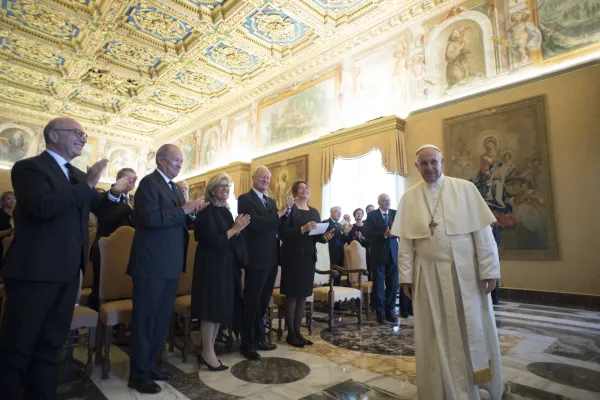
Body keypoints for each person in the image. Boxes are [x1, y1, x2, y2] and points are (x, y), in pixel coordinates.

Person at [0, 117, 131, 400]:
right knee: (17, 349)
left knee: (50, 347)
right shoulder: (28, 168)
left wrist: (113, 193)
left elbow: (102, 209)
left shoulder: (75, 175)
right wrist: (89, 184)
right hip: (33, 274)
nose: (83, 138)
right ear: (53, 135)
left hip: (68, 274)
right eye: (77, 133)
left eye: (85, 134)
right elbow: (44, 207)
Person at [392, 144, 502, 399]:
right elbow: (406, 243)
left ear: (442, 162)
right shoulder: (409, 197)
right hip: (427, 275)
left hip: (464, 273)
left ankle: (475, 384)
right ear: (416, 166)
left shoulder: (465, 189)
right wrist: (405, 277)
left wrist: (489, 269)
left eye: (433, 162)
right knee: (434, 331)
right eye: (423, 164)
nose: (429, 168)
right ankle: (439, 387)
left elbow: (483, 234)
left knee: (469, 326)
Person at [126, 144, 207, 394]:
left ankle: (151, 365)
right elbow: (149, 219)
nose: (179, 165)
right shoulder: (149, 184)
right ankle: (137, 374)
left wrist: (192, 214)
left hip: (170, 264)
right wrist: (184, 209)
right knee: (145, 321)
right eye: (175, 160)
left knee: (160, 321)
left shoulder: (172, 187)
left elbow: (176, 219)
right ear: (160, 160)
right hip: (151, 264)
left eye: (182, 161)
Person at [192, 173, 249, 371]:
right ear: (212, 190)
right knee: (210, 308)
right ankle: (207, 352)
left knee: (218, 308)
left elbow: (229, 239)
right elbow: (214, 241)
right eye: (222, 186)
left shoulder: (225, 212)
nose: (225, 189)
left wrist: (237, 230)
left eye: (228, 186)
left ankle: (208, 351)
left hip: (225, 264)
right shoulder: (206, 213)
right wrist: (235, 229)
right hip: (210, 265)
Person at [237, 166, 293, 360]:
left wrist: (286, 214)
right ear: (253, 178)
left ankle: (259, 338)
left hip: (271, 257)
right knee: (252, 300)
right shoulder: (245, 199)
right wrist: (279, 214)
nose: (266, 181)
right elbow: (257, 224)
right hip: (255, 257)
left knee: (263, 301)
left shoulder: (270, 201)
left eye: (268, 178)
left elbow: (276, 226)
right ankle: (247, 343)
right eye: (262, 177)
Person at [280, 180, 334, 347]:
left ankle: (298, 332)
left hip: (308, 257)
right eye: (301, 188)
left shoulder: (314, 212)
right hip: (292, 257)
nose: (304, 190)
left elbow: (316, 236)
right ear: (295, 191)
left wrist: (324, 238)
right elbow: (283, 234)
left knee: (303, 295)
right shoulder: (290, 210)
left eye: (306, 188)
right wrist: (302, 229)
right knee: (292, 295)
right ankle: (290, 333)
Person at [89, 168, 137, 311]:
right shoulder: (106, 197)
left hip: (127, 254)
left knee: (124, 293)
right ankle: (98, 328)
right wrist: (129, 206)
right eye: (128, 179)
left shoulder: (136, 200)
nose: (131, 183)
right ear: (118, 179)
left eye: (134, 179)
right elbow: (107, 218)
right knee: (100, 294)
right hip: (105, 255)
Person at [364, 194, 409, 323]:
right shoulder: (372, 215)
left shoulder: (395, 213)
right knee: (378, 285)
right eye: (384, 201)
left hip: (393, 254)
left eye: (389, 200)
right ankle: (380, 313)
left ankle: (390, 311)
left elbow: (403, 228)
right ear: (379, 202)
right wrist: (383, 234)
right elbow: (368, 233)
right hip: (378, 254)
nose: (387, 202)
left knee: (393, 284)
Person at [323, 206, 348, 287]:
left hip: (340, 251)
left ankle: (337, 293)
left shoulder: (340, 225)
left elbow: (344, 239)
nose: (339, 213)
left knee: (339, 273)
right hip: (330, 252)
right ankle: (329, 293)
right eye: (337, 211)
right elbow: (326, 237)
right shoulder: (326, 222)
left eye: (340, 212)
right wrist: (341, 230)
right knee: (332, 275)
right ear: (331, 212)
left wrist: (346, 232)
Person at [0, 191, 16, 263]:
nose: (12, 200)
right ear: (3, 202)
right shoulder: (1, 215)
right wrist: (12, 230)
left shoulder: (18, 214)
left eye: (14, 198)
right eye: (9, 198)